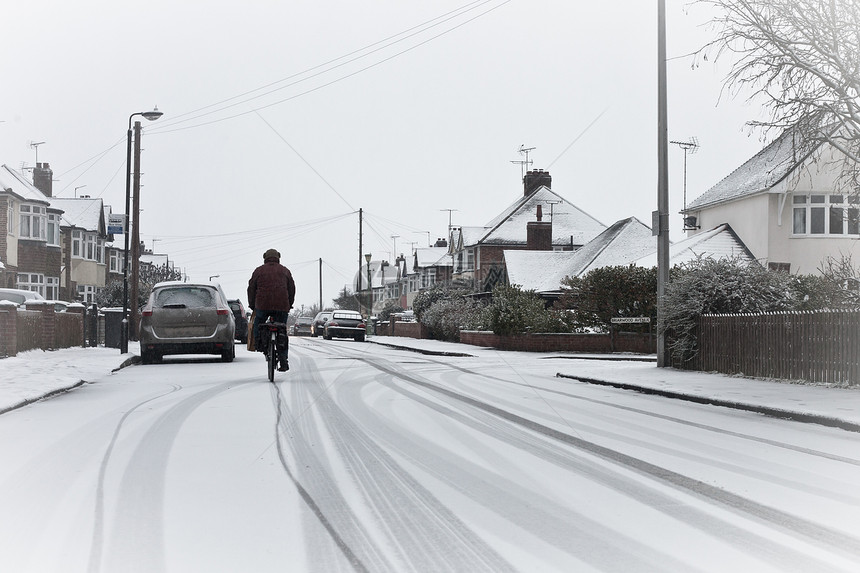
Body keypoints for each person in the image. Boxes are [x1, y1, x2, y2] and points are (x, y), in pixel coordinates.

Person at [248, 248, 296, 371]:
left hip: (262, 305)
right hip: (282, 306)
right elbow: (291, 289)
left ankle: (260, 344)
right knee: (282, 331)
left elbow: (251, 288)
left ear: (265, 258)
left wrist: (253, 305)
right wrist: (289, 304)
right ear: (278, 258)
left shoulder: (258, 271)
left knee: (259, 323)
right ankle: (283, 359)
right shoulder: (285, 271)